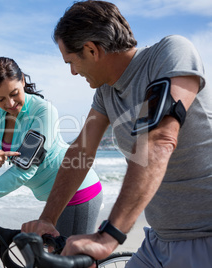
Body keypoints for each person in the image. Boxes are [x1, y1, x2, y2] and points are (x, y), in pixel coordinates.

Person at [21, 1, 212, 267]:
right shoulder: (106, 92)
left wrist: (107, 237)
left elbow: (159, 140)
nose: (73, 72)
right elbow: (81, 151)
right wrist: (48, 219)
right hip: (158, 240)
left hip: (204, 238)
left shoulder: (170, 53)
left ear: (91, 50)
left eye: (72, 62)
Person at [0, 56, 103, 237]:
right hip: (52, 201)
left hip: (78, 192)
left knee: (70, 261)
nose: (10, 104)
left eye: (14, 94)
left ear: (22, 80)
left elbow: (24, 170)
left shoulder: (43, 111)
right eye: (0, 99)